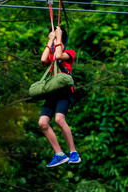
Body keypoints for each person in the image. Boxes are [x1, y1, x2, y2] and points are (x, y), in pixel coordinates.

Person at [38, 25, 81, 167]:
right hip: (52, 92)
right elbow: (43, 59)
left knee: (59, 119)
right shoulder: (51, 54)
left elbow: (59, 55)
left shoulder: (70, 53)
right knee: (43, 123)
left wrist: (59, 36)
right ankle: (59, 154)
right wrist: (50, 41)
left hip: (64, 92)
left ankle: (73, 152)